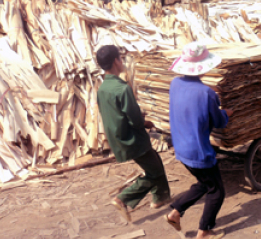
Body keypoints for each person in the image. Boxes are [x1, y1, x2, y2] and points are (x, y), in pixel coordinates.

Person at [165, 43, 233, 239]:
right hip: (199, 151)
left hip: (181, 147)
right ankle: (204, 231)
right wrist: (226, 113)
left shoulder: (175, 83)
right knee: (217, 191)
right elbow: (219, 121)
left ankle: (175, 213)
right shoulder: (207, 93)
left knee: (205, 183)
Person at [96, 45, 170, 222]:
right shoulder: (122, 89)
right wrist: (146, 122)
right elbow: (135, 121)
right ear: (116, 61)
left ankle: (161, 198)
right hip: (132, 138)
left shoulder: (103, 88)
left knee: (155, 162)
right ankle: (122, 199)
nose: (122, 62)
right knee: (154, 172)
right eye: (120, 58)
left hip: (118, 137)